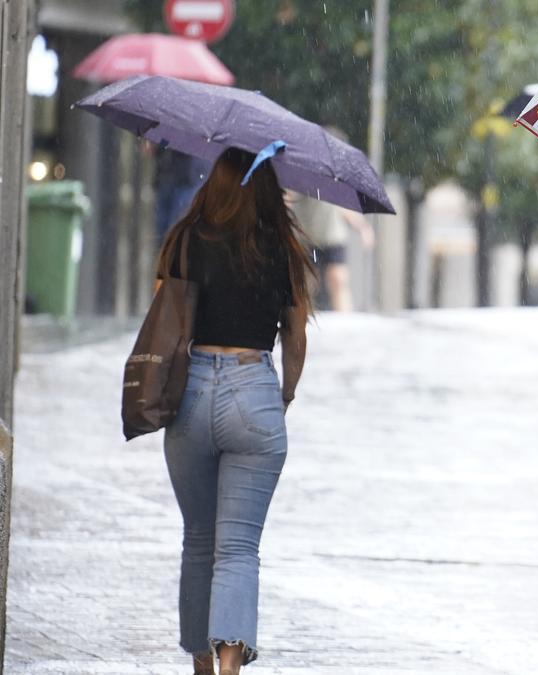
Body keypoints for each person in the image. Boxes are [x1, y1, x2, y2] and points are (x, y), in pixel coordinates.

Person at [156, 147, 315, 675]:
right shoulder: (282, 249)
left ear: (214, 184)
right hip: (254, 389)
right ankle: (229, 665)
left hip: (192, 392)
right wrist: (284, 394)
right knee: (239, 548)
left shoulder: (184, 239)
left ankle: (202, 663)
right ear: (267, 190)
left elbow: (163, 316)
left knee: (199, 539)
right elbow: (295, 337)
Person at [288, 191, 374, 311]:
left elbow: (346, 208)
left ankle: (344, 317)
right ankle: (302, 315)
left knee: (338, 279)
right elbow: (288, 198)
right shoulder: (302, 181)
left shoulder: (339, 183)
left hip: (334, 236)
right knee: (306, 283)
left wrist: (363, 228)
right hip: (309, 237)